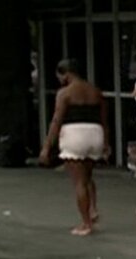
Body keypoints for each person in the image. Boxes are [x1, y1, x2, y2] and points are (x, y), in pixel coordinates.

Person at [38, 59, 108, 236]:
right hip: (95, 132)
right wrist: (106, 143)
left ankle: (85, 223)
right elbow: (104, 119)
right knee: (88, 176)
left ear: (67, 74)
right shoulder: (95, 91)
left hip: (74, 133)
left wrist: (47, 147)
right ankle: (92, 209)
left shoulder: (65, 93)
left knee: (79, 182)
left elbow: (57, 120)